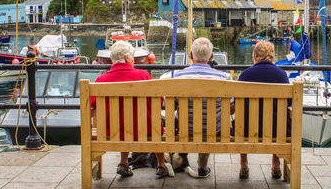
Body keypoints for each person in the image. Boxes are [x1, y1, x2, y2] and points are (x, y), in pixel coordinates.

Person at [91, 41, 173, 178]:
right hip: (145, 129)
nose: (134, 60)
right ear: (128, 59)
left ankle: (123, 163)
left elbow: (91, 105)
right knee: (154, 125)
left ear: (112, 60)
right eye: (133, 57)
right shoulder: (144, 77)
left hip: (111, 130)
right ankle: (161, 165)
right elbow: (159, 102)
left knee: (123, 120)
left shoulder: (101, 80)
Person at [174, 37, 231, 178]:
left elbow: (174, 105)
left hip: (185, 130)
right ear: (211, 56)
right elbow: (231, 106)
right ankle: (202, 165)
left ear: (191, 56)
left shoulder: (177, 76)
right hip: (214, 130)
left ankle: (180, 157)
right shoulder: (224, 77)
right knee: (210, 119)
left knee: (184, 116)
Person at [238, 41, 290, 180]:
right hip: (277, 131)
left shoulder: (245, 75)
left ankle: (244, 164)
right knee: (277, 119)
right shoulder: (282, 75)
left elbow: (237, 104)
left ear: (255, 56)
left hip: (247, 130)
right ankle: (276, 163)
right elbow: (289, 103)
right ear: (273, 57)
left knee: (243, 119)